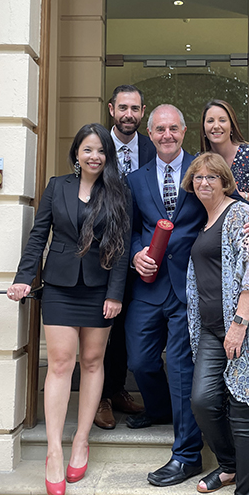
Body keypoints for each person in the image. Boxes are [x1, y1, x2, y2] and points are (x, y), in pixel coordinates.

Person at [125, 104, 249, 487]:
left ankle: (186, 455)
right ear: (150, 131)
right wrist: (137, 252)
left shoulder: (202, 169)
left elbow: (239, 205)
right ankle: (161, 411)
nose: (167, 135)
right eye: (159, 129)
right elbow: (133, 228)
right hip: (149, 285)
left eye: (174, 128)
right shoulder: (136, 178)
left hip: (190, 293)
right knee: (140, 362)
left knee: (181, 372)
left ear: (184, 129)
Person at [7, 124, 131, 495]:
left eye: (101, 151)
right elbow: (38, 235)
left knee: (93, 361)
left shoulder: (118, 191)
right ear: (76, 152)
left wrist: (115, 293)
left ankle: (81, 441)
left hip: (100, 289)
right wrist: (24, 278)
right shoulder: (56, 186)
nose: (94, 156)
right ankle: (55, 451)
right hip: (60, 286)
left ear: (107, 156)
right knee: (61, 363)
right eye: (87, 149)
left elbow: (122, 247)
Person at [182, 153, 249, 495]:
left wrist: (240, 324)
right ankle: (228, 465)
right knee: (202, 401)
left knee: (243, 416)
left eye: (212, 177)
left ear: (226, 181)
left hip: (244, 330)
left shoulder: (241, 214)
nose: (204, 183)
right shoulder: (206, 219)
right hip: (212, 330)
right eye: (198, 177)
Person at [92, 85, 156, 429]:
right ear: (112, 109)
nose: (129, 114)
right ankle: (99, 397)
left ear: (142, 111)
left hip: (143, 254)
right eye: (123, 108)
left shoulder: (152, 148)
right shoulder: (97, 146)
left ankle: (116, 390)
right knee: (102, 326)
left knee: (127, 329)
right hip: (101, 255)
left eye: (135, 108)